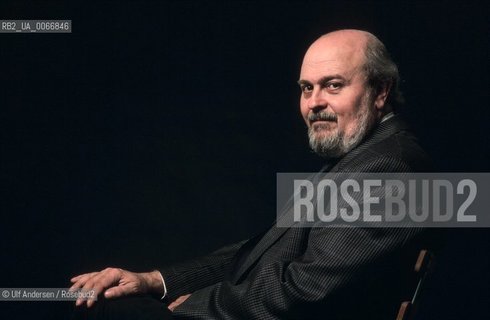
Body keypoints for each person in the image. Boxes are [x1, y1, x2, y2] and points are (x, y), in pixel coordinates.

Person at [70, 29, 433, 319]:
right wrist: (154, 282)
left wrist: (196, 305)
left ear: (380, 90)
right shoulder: (362, 158)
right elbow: (260, 254)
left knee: (104, 308)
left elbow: (308, 289)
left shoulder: (389, 167)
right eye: (307, 88)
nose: (315, 102)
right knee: (106, 300)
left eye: (333, 85)